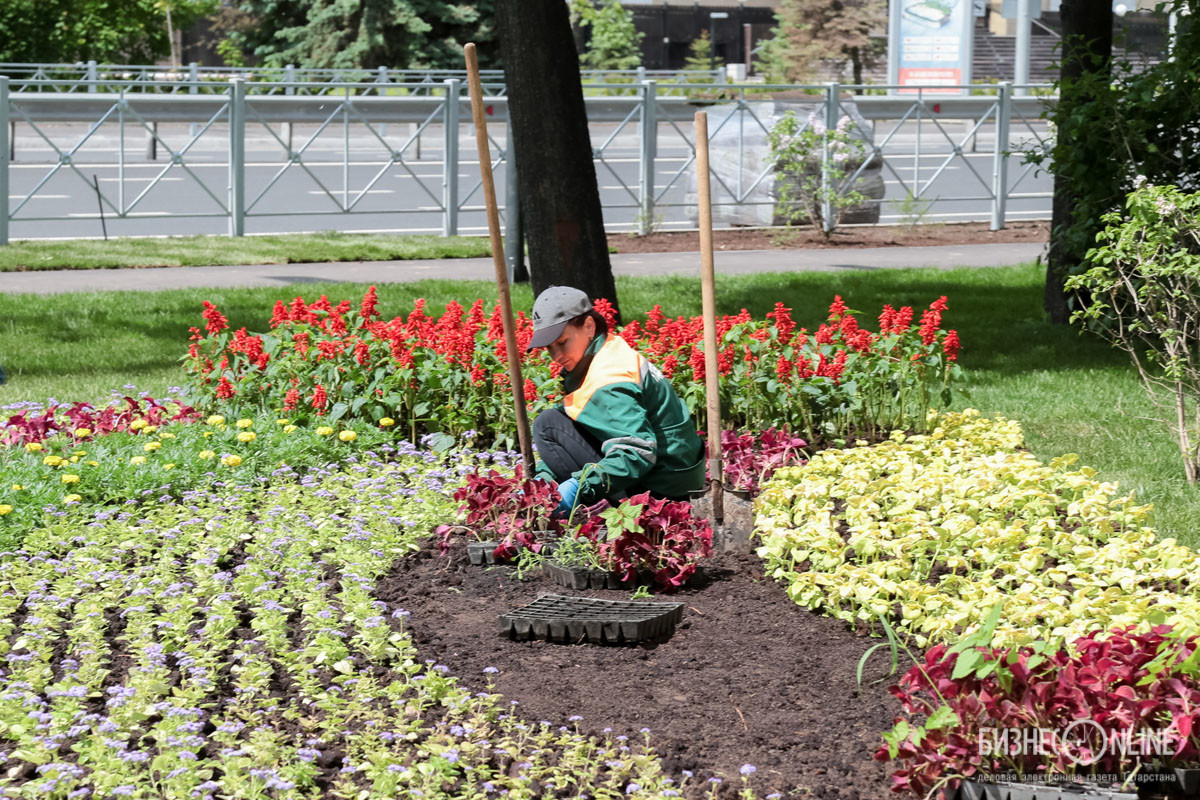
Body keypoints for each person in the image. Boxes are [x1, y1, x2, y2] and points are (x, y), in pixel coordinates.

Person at [526, 286, 705, 517]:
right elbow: (579, 429)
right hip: (675, 474)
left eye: (562, 342)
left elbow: (637, 452)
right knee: (557, 420)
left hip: (663, 491)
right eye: (550, 348)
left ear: (589, 326)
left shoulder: (608, 378)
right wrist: (545, 479)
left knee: (548, 424)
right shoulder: (607, 350)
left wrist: (578, 488)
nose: (556, 355)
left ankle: (622, 509)